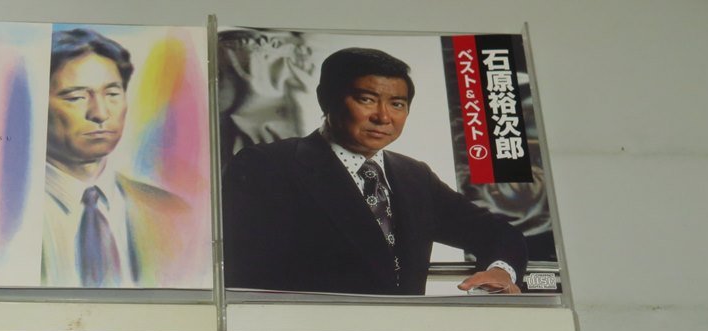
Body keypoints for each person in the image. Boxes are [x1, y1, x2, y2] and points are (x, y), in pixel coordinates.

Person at [221, 47, 527, 295]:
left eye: (397, 104)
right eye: (366, 99)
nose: (383, 117)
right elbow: (247, 275)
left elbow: (497, 233)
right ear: (326, 99)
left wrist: (501, 271)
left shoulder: (414, 177)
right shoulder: (267, 166)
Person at [42, 28, 194, 288]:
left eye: (112, 94)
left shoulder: (172, 213)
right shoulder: (15, 217)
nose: (100, 113)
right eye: (76, 97)